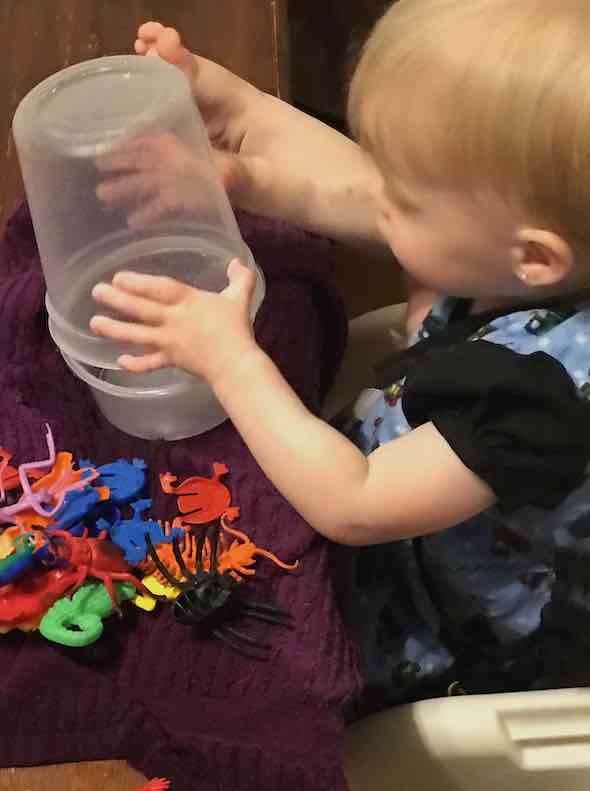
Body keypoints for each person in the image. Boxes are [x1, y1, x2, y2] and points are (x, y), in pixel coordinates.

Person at [90, 3, 590, 709]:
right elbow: (363, 192)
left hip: (448, 638)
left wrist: (229, 357)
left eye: (404, 198)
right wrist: (241, 122)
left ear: (535, 257)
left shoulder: (537, 398)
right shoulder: (510, 254)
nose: (377, 195)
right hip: (402, 498)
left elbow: (352, 502)